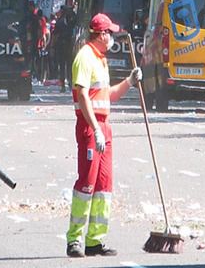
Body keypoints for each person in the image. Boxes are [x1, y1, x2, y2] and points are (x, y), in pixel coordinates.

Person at [66, 13, 142, 257]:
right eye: (109, 33)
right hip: (90, 127)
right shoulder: (85, 57)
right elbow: (83, 96)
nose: (112, 38)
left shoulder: (101, 59)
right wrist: (95, 130)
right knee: (87, 182)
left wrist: (129, 81)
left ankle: (95, 240)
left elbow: (106, 95)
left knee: (104, 184)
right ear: (100, 34)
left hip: (104, 126)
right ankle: (75, 240)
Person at [53, 6, 76, 93]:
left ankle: (63, 85)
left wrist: (52, 46)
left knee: (62, 66)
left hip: (62, 46)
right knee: (69, 65)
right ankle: (69, 83)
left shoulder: (60, 22)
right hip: (69, 45)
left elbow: (55, 35)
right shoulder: (72, 21)